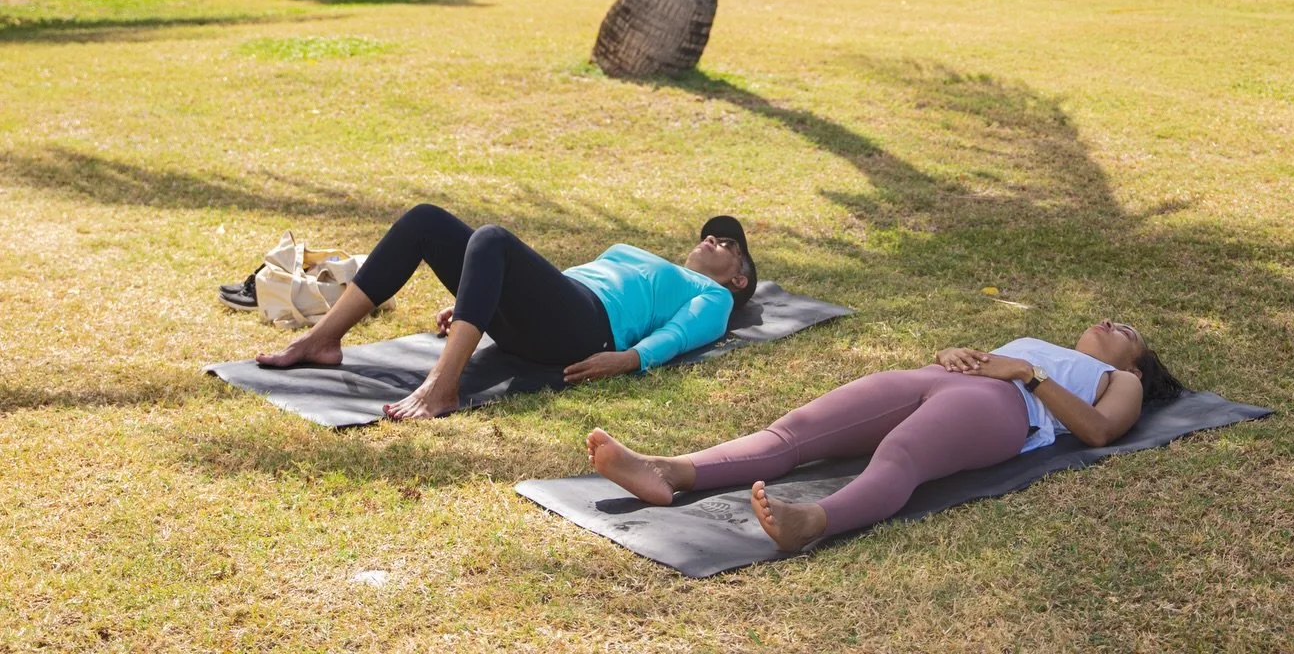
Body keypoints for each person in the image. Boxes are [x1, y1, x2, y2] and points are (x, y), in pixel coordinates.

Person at [586, 318, 1185, 551]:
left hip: (1004, 407)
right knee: (796, 432)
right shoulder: (1041, 344)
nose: (1112, 323)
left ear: (1136, 365)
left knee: (901, 454)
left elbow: (1099, 431)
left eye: (1127, 331)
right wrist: (954, 352)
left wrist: (1028, 375)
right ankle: (670, 469)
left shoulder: (1119, 381)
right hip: (936, 378)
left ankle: (813, 521)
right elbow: (991, 360)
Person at [256, 206, 758, 420]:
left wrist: (631, 359)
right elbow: (560, 281)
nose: (713, 239)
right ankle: (321, 340)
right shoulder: (650, 261)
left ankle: (442, 387)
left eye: (727, 244)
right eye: (711, 235)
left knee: (493, 237)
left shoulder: (713, 296)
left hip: (589, 330)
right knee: (425, 220)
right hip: (560, 308)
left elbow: (684, 333)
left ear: (738, 278)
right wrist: (481, 294)